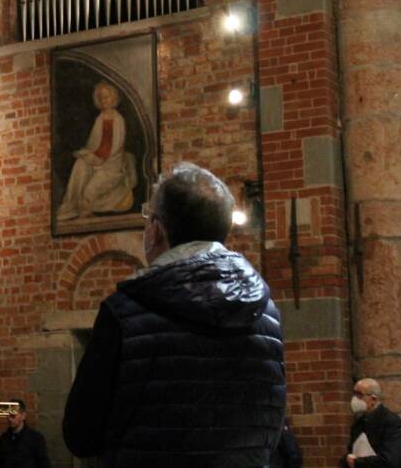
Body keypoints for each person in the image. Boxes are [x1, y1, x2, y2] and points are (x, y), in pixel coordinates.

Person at [62, 162, 286, 466]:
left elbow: (80, 435)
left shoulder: (125, 312)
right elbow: (270, 430)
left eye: (147, 217)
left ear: (156, 230)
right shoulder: (266, 314)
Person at [56, 81, 138, 221]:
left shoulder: (119, 120)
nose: (104, 101)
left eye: (106, 97)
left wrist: (97, 158)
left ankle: (87, 210)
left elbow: (115, 148)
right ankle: (71, 203)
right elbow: (93, 144)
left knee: (89, 192)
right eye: (101, 98)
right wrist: (87, 155)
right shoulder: (99, 119)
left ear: (113, 98)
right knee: (80, 164)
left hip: (112, 165)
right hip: (98, 160)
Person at [340, 378, 401, 468]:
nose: (355, 399)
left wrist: (357, 462)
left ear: (373, 399)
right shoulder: (358, 424)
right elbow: (351, 454)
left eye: (359, 395)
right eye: (354, 394)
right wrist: (347, 460)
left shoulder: (391, 421)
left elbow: (391, 459)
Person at [0, 399, 51, 468]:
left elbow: (44, 465)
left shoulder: (36, 439)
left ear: (23, 416)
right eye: (8, 415)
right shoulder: (4, 438)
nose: (9, 419)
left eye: (13, 416)